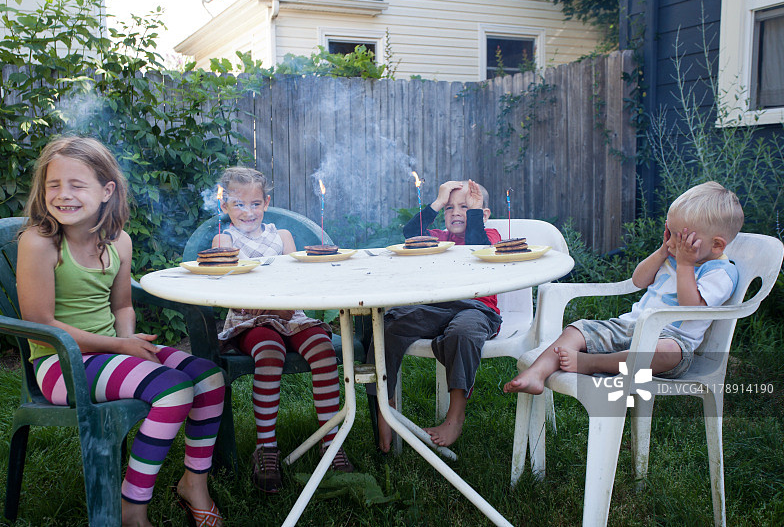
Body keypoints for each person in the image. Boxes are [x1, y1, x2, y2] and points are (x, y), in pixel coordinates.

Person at [17, 136, 226, 527]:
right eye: (53, 185)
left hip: (110, 351)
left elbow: (122, 306)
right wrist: (120, 345)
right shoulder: (40, 243)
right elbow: (42, 324)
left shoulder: (119, 242)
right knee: (175, 389)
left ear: (106, 190)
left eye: (77, 185)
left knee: (210, 379)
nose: (63, 195)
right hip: (60, 364)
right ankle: (133, 508)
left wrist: (126, 343)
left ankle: (193, 485)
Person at [504, 181, 744, 395]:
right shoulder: (671, 255)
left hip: (671, 340)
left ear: (716, 245)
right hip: (630, 325)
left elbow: (690, 306)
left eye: (681, 239)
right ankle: (536, 373)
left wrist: (685, 264)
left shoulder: (720, 272)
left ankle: (593, 363)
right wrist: (662, 252)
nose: (672, 242)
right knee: (576, 330)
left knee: (667, 353)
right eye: (669, 233)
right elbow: (639, 281)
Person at [211, 167, 353, 494]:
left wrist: (292, 299)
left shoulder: (282, 237)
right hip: (251, 318)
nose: (248, 212)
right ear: (225, 207)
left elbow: (296, 280)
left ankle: (330, 442)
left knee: (322, 347)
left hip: (291, 314)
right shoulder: (225, 239)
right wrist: (263, 304)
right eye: (239, 205)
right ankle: (266, 448)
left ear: (266, 202)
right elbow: (224, 286)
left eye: (255, 204)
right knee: (270, 353)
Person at [367, 179, 503, 452]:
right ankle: (385, 409)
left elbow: (478, 248)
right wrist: (436, 202)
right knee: (387, 326)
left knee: (462, 333)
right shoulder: (439, 239)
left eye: (464, 207)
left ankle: (455, 416)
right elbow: (409, 234)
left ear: (482, 214)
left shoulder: (492, 236)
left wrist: (474, 214)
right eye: (449, 208)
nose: (455, 213)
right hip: (433, 306)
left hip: (477, 309)